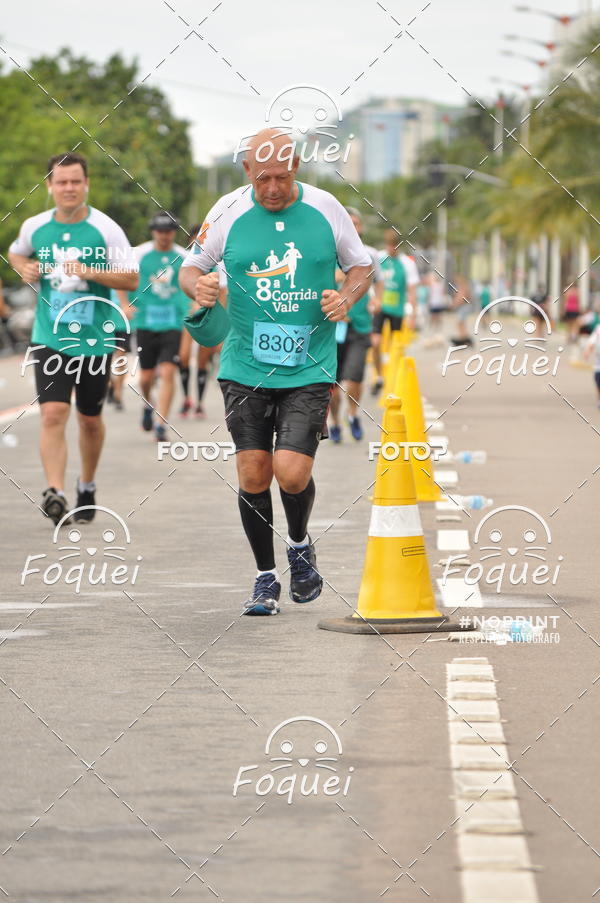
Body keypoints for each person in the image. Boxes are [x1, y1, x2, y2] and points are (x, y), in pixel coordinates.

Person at [179, 128, 372, 616]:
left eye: (281, 177)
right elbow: (190, 267)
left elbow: (362, 267)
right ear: (247, 170)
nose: (272, 188)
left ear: (297, 168)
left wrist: (346, 297)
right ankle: (265, 578)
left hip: (309, 363)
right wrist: (198, 287)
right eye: (262, 178)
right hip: (244, 363)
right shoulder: (227, 210)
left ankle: (300, 545)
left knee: (290, 471)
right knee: (252, 472)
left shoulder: (326, 208)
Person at [8, 151, 138, 526]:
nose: (69, 188)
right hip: (50, 336)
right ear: (49, 186)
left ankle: (87, 484)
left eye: (75, 181)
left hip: (95, 339)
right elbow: (15, 254)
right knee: (53, 413)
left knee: (89, 420)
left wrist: (90, 272)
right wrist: (25, 267)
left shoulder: (106, 229)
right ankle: (56, 492)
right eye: (61, 181)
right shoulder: (35, 227)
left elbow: (131, 278)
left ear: (86, 184)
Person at [130, 212, 189, 441]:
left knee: (167, 372)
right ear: (153, 231)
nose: (164, 236)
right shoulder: (140, 254)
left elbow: (192, 282)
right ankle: (148, 404)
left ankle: (161, 423)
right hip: (145, 322)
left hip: (172, 323)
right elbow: (122, 278)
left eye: (169, 231)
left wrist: (193, 306)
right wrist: (124, 304)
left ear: (174, 232)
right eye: (160, 231)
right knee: (145, 378)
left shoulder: (183, 257)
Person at [329, 207, 383, 443]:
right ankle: (334, 422)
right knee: (331, 384)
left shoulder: (369, 254)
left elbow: (378, 281)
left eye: (356, 223)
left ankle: (352, 415)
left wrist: (377, 300)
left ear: (361, 228)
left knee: (355, 378)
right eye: (348, 222)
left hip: (360, 326)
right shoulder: (327, 251)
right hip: (331, 329)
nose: (352, 227)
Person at [178, 224, 227, 418]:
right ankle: (185, 398)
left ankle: (199, 403)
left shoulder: (218, 262)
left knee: (202, 361)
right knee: (183, 356)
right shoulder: (184, 261)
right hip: (187, 315)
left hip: (209, 315)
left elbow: (223, 292)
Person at [371, 228, 418, 394]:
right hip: (380, 308)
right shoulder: (379, 258)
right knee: (375, 342)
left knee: (396, 346)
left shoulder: (407, 264)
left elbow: (412, 291)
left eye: (395, 245)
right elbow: (370, 281)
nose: (392, 249)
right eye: (389, 245)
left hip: (397, 311)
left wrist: (413, 315)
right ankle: (379, 376)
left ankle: (394, 379)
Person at [583, 321, 600, 408]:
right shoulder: (598, 329)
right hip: (598, 364)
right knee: (598, 382)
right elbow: (592, 342)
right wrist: (587, 351)